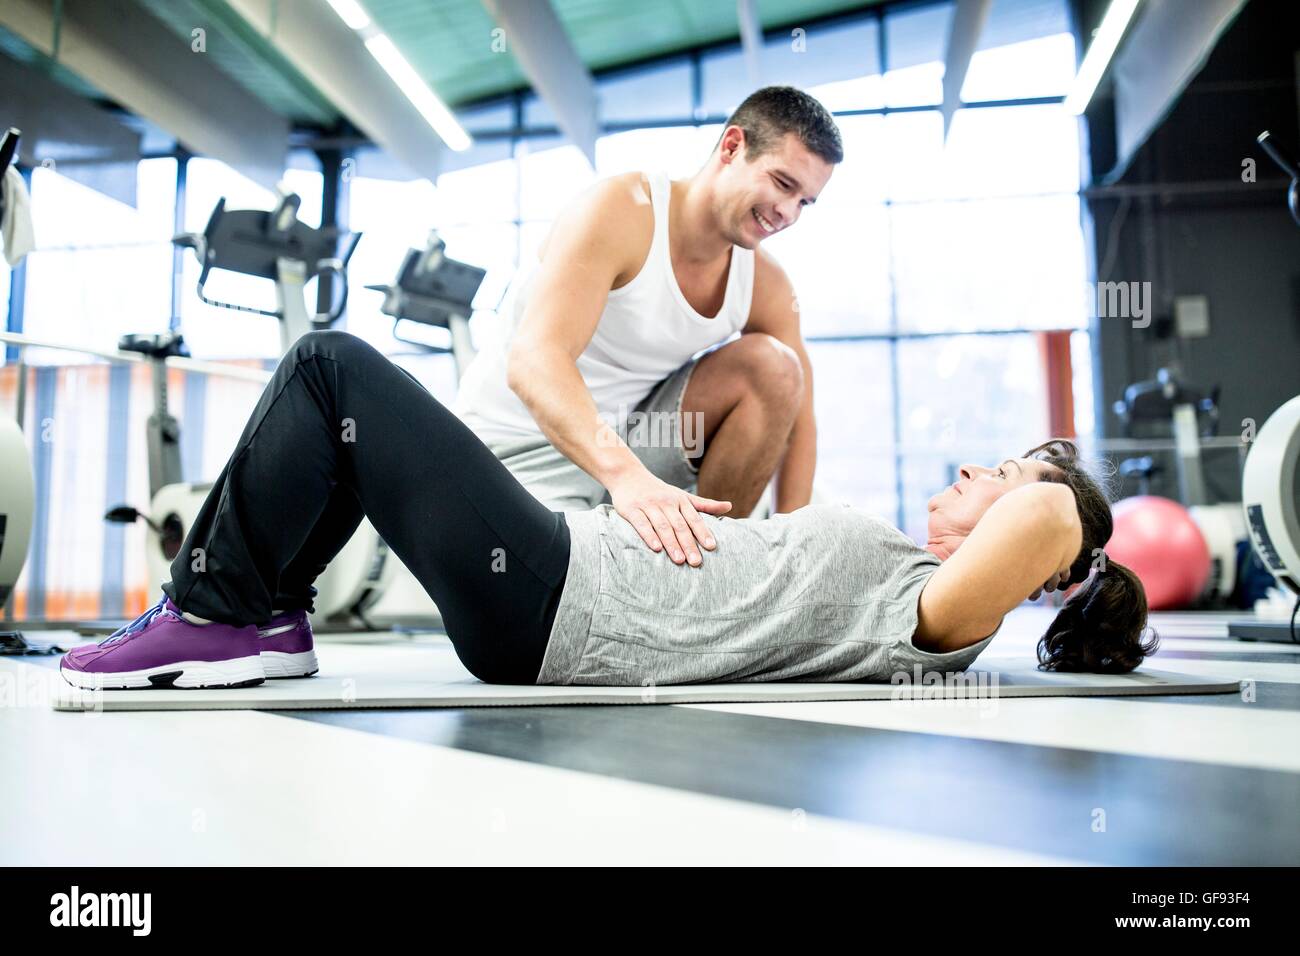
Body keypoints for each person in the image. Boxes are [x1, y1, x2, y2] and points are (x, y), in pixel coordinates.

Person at [60, 331, 1158, 690]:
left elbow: (1053, 528)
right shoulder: (908, 585)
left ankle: (210, 611)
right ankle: (266, 618)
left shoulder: (937, 618)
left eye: (996, 478)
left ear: (1032, 557)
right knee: (351, 438)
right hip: (561, 569)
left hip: (558, 600)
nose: (972, 472)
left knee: (328, 369)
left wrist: (1058, 506)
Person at [455, 86, 842, 567]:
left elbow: (800, 416)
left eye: (806, 201)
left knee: (776, 369)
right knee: (540, 613)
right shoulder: (622, 210)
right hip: (517, 446)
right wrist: (627, 479)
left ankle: (715, 579)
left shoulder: (763, 281)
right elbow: (534, 361)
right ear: (731, 147)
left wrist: (794, 542)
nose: (789, 213)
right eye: (783, 184)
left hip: (635, 443)